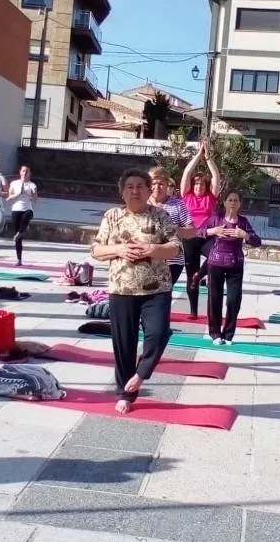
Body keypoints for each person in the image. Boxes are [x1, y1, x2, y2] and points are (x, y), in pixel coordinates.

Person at [90, 169, 181, 414]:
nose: (134, 191)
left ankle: (141, 374)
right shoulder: (112, 216)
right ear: (122, 192)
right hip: (122, 289)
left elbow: (175, 247)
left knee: (159, 332)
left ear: (148, 190)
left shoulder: (160, 216)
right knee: (124, 344)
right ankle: (126, 393)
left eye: (140, 186)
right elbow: (96, 250)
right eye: (129, 186)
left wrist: (151, 248)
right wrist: (119, 249)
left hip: (157, 289)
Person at [200, 191, 261, 345]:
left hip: (235, 265)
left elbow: (257, 241)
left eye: (236, 200)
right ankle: (215, 334)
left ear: (240, 204)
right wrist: (213, 231)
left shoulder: (243, 222)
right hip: (215, 263)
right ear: (225, 202)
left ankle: (228, 334)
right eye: (230, 200)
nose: (233, 203)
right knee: (215, 299)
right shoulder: (216, 218)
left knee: (233, 300)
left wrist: (244, 235)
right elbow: (198, 232)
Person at [179, 144, 221, 318]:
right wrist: (198, 155)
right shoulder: (186, 196)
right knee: (190, 275)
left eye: (202, 185)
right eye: (196, 185)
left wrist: (208, 157)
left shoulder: (211, 197)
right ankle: (193, 311)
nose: (199, 187)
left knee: (216, 256)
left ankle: (200, 275)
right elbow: (186, 173)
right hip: (190, 238)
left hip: (207, 237)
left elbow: (216, 176)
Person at [148, 167, 195, 285]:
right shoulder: (142, 203)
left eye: (161, 184)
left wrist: (173, 229)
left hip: (172, 261)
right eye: (153, 183)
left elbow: (192, 231)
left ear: (167, 184)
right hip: (147, 258)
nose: (157, 187)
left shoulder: (178, 205)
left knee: (162, 295)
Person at [7, 164, 38, 266]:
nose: (25, 173)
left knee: (27, 215)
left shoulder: (32, 185)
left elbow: (35, 199)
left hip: (27, 209)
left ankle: (20, 232)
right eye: (23, 171)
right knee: (18, 239)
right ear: (20, 172)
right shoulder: (14, 183)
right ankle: (19, 259)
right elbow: (9, 197)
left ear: (29, 174)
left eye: (27, 171)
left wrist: (27, 194)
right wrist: (18, 194)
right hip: (16, 209)